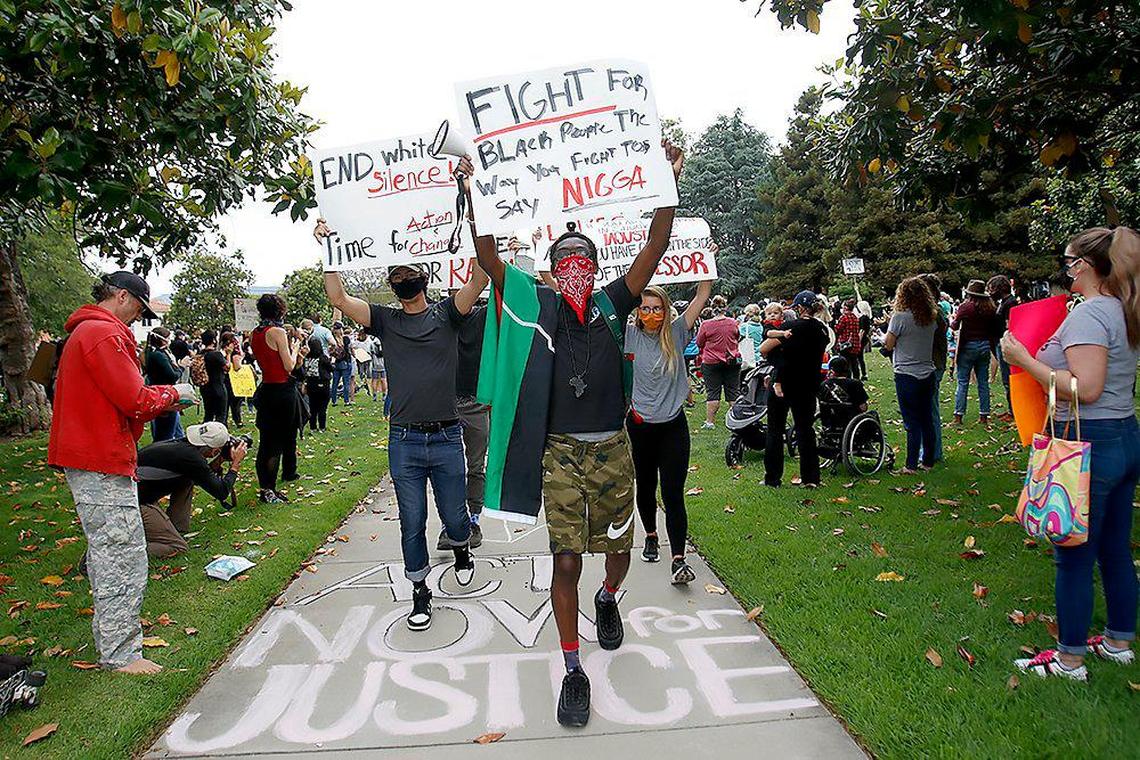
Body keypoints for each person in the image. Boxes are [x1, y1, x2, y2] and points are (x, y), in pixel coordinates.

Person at [471, 140, 684, 727]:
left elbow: (656, 245)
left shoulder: (617, 301)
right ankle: (572, 668)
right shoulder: (537, 304)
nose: (574, 264)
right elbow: (489, 258)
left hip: (613, 451)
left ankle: (609, 598)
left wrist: (665, 179)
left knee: (617, 555)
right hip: (560, 456)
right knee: (566, 562)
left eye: (582, 256)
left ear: (595, 265)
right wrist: (475, 190)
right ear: (551, 265)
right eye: (564, 256)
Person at [316, 205, 488, 634]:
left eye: (408, 273)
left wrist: (474, 216)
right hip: (405, 441)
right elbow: (338, 298)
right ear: (392, 285)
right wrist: (329, 251)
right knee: (412, 521)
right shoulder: (386, 321)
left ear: (423, 278)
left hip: (447, 438)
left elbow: (481, 278)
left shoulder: (447, 313)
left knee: (453, 517)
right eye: (396, 276)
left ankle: (462, 548)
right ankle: (420, 591)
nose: (402, 280)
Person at [1004, 226, 1140, 680]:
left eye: (1069, 262)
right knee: (1116, 549)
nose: (1066, 270)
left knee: (1075, 555)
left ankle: (1070, 659)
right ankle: (1119, 640)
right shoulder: (1124, 310)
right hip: (1124, 436)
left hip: (1090, 442)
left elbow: (1085, 388)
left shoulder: (1090, 316)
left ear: (1085, 266)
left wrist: (1025, 360)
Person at [48, 272, 194, 675]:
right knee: (122, 555)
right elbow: (133, 398)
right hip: (100, 455)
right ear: (124, 297)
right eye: (137, 309)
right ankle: (120, 653)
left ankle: (116, 641)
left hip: (95, 453)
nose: (136, 319)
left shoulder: (88, 332)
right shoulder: (104, 335)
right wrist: (173, 395)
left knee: (111, 551)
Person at [626, 281, 712, 584]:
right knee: (646, 487)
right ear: (638, 310)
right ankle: (650, 534)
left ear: (665, 309)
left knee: (673, 493)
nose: (651, 313)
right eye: (645, 308)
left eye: (657, 308)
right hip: (639, 426)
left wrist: (706, 264)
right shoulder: (629, 335)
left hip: (673, 426)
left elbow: (702, 295)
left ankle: (678, 559)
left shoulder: (676, 332)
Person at [136, 421, 247, 557]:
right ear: (214, 451)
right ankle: (127, 550)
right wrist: (235, 465)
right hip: (135, 504)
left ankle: (177, 528)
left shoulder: (183, 446)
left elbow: (202, 477)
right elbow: (222, 492)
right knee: (177, 547)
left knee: (188, 480)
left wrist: (220, 460)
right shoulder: (191, 458)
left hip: (136, 494)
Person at [759, 290, 830, 487]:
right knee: (805, 430)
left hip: (783, 381)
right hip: (808, 383)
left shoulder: (790, 327)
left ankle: (772, 478)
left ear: (798, 308)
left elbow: (764, 348)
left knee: (775, 430)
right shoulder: (822, 330)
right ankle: (811, 478)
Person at [438, 296, 490, 551]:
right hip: (446, 402)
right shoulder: (441, 317)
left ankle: (473, 519)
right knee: (449, 468)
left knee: (475, 466)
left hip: (476, 401)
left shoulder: (484, 316)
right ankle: (451, 521)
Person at [250, 293, 303, 504]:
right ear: (280, 310)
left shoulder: (256, 332)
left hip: (266, 389)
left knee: (266, 441)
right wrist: (296, 347)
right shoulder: (278, 332)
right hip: (281, 391)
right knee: (276, 443)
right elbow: (289, 366)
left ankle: (266, 485)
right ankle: (268, 489)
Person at [883, 277, 938, 473]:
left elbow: (888, 344)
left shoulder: (900, 317)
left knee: (911, 421)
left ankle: (911, 464)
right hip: (927, 370)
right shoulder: (931, 316)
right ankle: (928, 461)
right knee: (926, 419)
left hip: (906, 371)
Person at [950, 280, 998, 424]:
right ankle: (984, 415)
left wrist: (953, 320)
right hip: (984, 345)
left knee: (963, 382)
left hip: (968, 345)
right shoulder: (990, 307)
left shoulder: (965, 307)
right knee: (983, 382)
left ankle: (958, 416)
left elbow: (955, 325)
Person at [916, 275, 949, 463]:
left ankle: (932, 452)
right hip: (931, 364)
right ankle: (930, 450)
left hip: (931, 365)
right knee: (927, 409)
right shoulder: (933, 313)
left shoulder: (933, 315)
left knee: (929, 410)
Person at [696, 295, 741, 429]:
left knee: (713, 392)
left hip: (711, 361)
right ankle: (736, 420)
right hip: (732, 360)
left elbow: (699, 342)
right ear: (725, 308)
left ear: (711, 308)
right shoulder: (733, 322)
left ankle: (710, 422)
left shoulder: (706, 324)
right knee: (733, 391)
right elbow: (737, 336)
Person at [143, 327, 183, 442]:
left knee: (177, 430)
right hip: (164, 394)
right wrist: (180, 366)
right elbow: (172, 375)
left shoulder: (153, 353)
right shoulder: (158, 355)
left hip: (160, 392)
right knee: (165, 434)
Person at [988, 275, 1018, 421]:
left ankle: (1014, 412)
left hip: (1004, 342)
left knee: (1009, 380)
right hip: (999, 341)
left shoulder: (1010, 303)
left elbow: (1010, 325)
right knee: (1006, 379)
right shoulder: (1003, 302)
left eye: (992, 288)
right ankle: (1011, 409)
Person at [302, 337, 333, 431]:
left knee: (313, 407)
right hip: (323, 384)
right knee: (322, 407)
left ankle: (313, 427)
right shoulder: (323, 358)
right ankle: (322, 427)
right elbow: (331, 368)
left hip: (311, 384)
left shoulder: (306, 358)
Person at [198, 330, 229, 423]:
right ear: (213, 340)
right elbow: (227, 367)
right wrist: (229, 354)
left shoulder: (201, 354)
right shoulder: (216, 354)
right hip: (217, 386)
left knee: (208, 414)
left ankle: (206, 435)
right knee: (221, 415)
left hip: (205, 387)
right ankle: (219, 434)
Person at [834, 300, 864, 380]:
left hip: (845, 344)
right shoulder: (855, 317)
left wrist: (835, 325)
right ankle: (857, 379)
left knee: (846, 363)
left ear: (846, 307)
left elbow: (838, 329)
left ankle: (848, 379)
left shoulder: (844, 317)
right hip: (855, 344)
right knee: (854, 363)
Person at [221, 331, 245, 427]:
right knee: (235, 403)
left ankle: (225, 421)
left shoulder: (220, 351)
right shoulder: (232, 353)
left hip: (223, 380)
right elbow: (235, 367)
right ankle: (237, 420)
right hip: (231, 381)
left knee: (226, 403)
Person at [329, 322, 352, 406]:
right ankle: (346, 401)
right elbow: (350, 349)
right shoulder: (346, 339)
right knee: (346, 382)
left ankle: (334, 401)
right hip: (345, 362)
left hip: (336, 363)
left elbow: (330, 352)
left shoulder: (332, 339)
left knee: (335, 383)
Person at [738, 303, 764, 369]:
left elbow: (737, 338)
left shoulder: (744, 326)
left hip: (747, 357)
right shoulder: (761, 326)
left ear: (747, 314)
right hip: (758, 357)